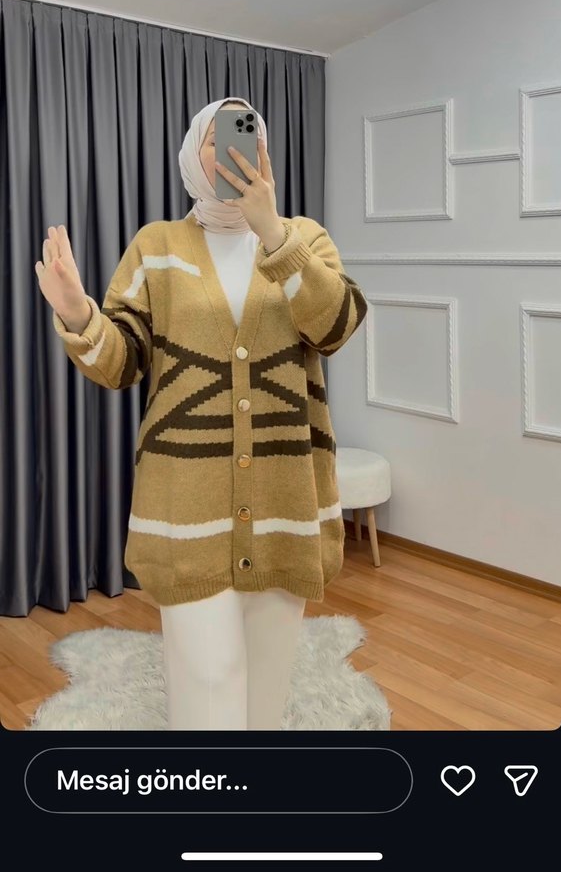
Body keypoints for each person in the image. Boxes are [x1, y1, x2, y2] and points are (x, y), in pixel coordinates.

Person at [35, 96, 368, 730]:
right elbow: (122, 363)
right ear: (194, 152)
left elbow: (337, 326)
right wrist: (80, 315)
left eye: (248, 133)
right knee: (207, 687)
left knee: (267, 687)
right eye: (218, 136)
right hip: (183, 510)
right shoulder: (156, 246)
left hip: (285, 504)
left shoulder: (304, 237)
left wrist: (273, 233)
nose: (234, 148)